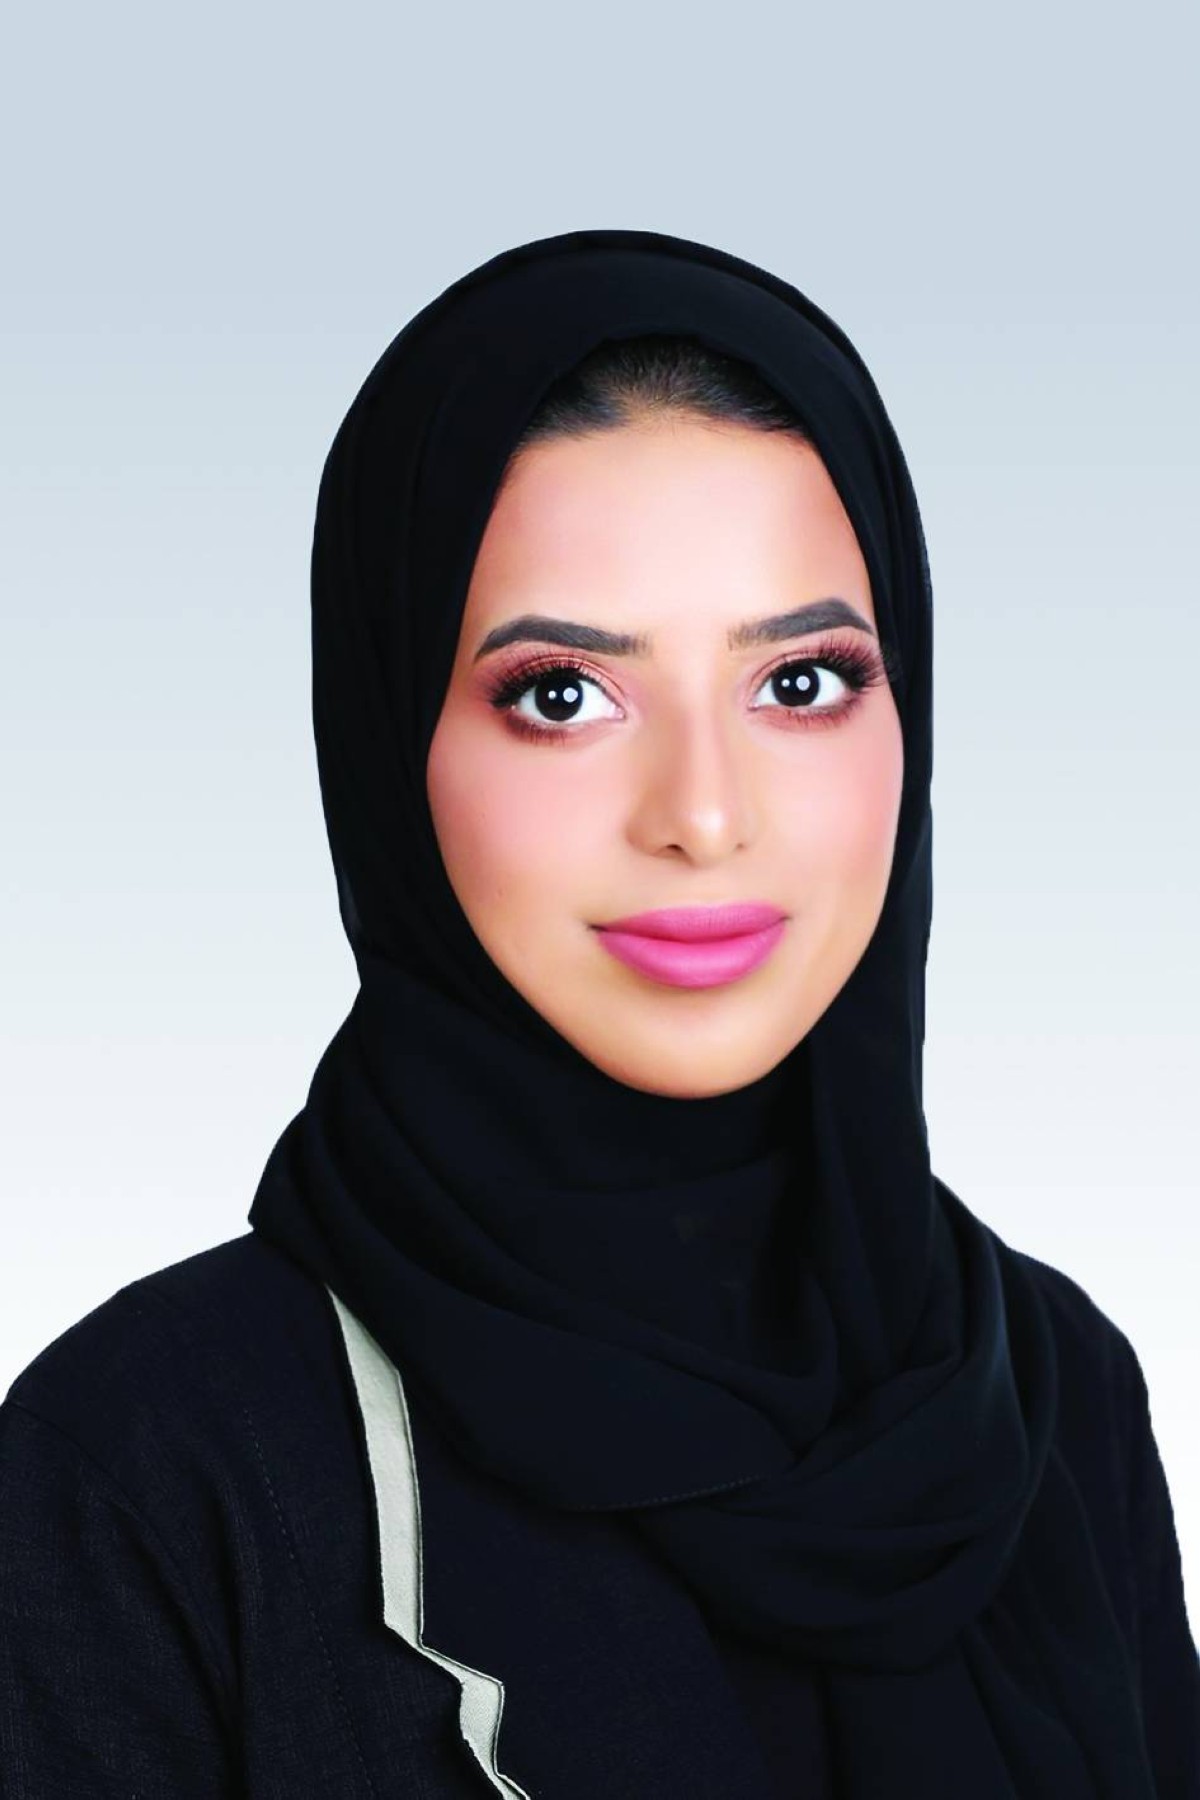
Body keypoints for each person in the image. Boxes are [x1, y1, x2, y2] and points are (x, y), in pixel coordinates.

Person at [1, 227, 1196, 1799]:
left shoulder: (1052, 1393)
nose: (702, 815)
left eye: (801, 682)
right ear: (388, 745)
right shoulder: (156, 1465)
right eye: (562, 694)